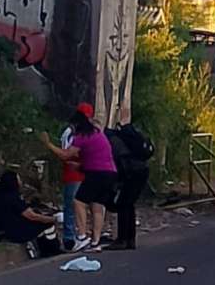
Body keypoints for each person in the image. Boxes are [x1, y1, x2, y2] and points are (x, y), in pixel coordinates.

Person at [41, 110, 117, 251]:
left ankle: (82, 237)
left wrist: (48, 144)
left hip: (96, 174)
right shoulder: (98, 134)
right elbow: (96, 158)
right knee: (97, 206)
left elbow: (65, 155)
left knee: (78, 202)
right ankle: (96, 241)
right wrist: (77, 166)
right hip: (110, 173)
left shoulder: (81, 137)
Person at [104, 111, 151, 250]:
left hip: (131, 172)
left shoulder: (112, 141)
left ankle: (122, 239)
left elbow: (116, 162)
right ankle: (130, 240)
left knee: (123, 205)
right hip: (141, 170)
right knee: (129, 205)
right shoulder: (126, 138)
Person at [0, 171, 61, 257]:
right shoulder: (13, 197)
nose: (20, 182)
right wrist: (53, 219)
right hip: (15, 231)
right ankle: (51, 249)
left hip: (1, 230)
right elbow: (31, 216)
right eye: (18, 179)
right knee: (46, 224)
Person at [60, 102, 94, 250]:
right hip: (73, 173)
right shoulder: (70, 132)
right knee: (71, 206)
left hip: (82, 172)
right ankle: (69, 237)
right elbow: (66, 153)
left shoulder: (82, 132)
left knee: (80, 206)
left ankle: (81, 234)